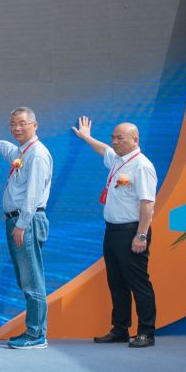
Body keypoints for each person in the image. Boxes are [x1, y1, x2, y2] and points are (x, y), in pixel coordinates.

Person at [72, 116, 159, 348]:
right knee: (116, 282)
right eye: (113, 137)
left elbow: (147, 203)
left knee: (138, 283)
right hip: (112, 231)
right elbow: (103, 150)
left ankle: (146, 332)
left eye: (120, 138)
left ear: (135, 139)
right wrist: (87, 137)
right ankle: (120, 329)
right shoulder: (119, 160)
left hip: (132, 231)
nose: (115, 142)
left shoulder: (142, 166)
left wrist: (141, 235)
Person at [0, 108, 52, 349]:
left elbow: (33, 193)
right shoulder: (23, 151)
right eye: (13, 124)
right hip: (18, 221)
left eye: (22, 123)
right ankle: (34, 331)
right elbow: (8, 150)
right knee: (26, 278)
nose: (17, 128)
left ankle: (37, 335)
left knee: (32, 279)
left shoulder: (37, 154)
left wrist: (22, 224)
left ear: (35, 125)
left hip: (26, 221)